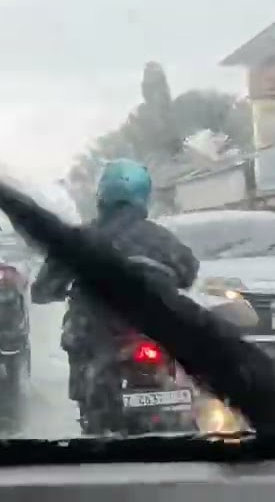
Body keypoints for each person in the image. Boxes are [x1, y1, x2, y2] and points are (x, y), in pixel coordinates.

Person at [31, 158, 199, 435]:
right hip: (156, 331)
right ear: (143, 196)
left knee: (79, 341)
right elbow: (189, 273)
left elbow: (42, 289)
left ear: (103, 196)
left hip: (99, 336)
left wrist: (56, 288)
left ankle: (92, 408)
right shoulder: (162, 239)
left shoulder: (81, 239)